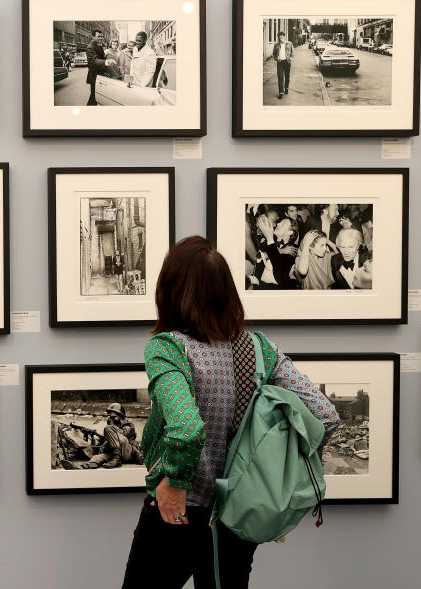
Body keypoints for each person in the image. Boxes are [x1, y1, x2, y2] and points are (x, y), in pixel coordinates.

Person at [121, 236, 339, 589]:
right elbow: (325, 415)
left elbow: (188, 428)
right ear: (227, 291)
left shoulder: (168, 348)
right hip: (238, 511)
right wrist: (275, 480)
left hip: (179, 512)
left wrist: (175, 483)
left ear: (171, 290)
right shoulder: (259, 349)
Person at [61, 402, 143, 469]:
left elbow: (122, 436)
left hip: (127, 451)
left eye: (113, 416)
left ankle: (117, 460)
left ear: (120, 416)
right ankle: (81, 467)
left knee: (109, 429)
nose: (111, 419)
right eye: (110, 416)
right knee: (98, 457)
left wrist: (110, 427)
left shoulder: (129, 425)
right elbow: (111, 439)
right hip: (114, 453)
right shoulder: (112, 425)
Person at [85, 28, 117, 105]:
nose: (101, 38)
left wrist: (108, 59)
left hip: (100, 74)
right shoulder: (90, 47)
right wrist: (107, 62)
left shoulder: (99, 45)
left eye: (101, 36)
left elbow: (101, 57)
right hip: (94, 76)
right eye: (98, 36)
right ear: (93, 37)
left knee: (96, 95)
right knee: (94, 96)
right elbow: (94, 61)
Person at [273, 30, 294, 99]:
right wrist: (276, 58)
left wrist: (290, 58)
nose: (281, 39)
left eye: (282, 37)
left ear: (285, 37)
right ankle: (281, 92)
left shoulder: (290, 43)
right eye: (280, 38)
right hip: (280, 62)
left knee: (287, 76)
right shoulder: (276, 45)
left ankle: (286, 88)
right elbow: (274, 54)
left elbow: (292, 53)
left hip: (287, 62)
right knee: (280, 77)